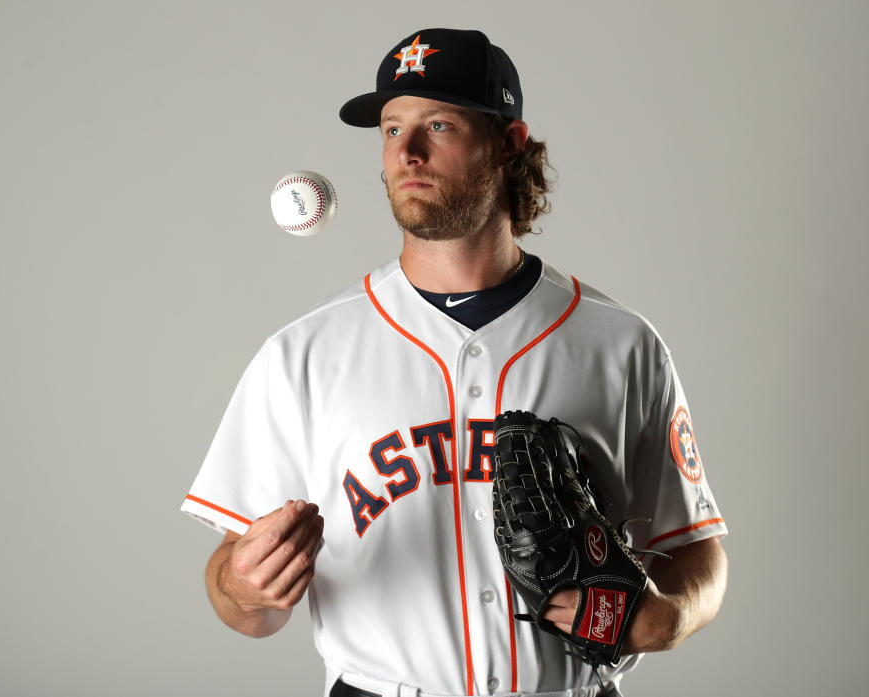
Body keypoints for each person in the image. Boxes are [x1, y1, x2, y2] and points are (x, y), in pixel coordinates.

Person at [181, 28, 727, 697]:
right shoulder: (304, 353)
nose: (406, 151)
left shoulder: (620, 343)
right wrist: (240, 585)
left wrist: (667, 617)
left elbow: (697, 547)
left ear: (508, 142)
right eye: (390, 128)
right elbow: (240, 602)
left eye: (437, 124)